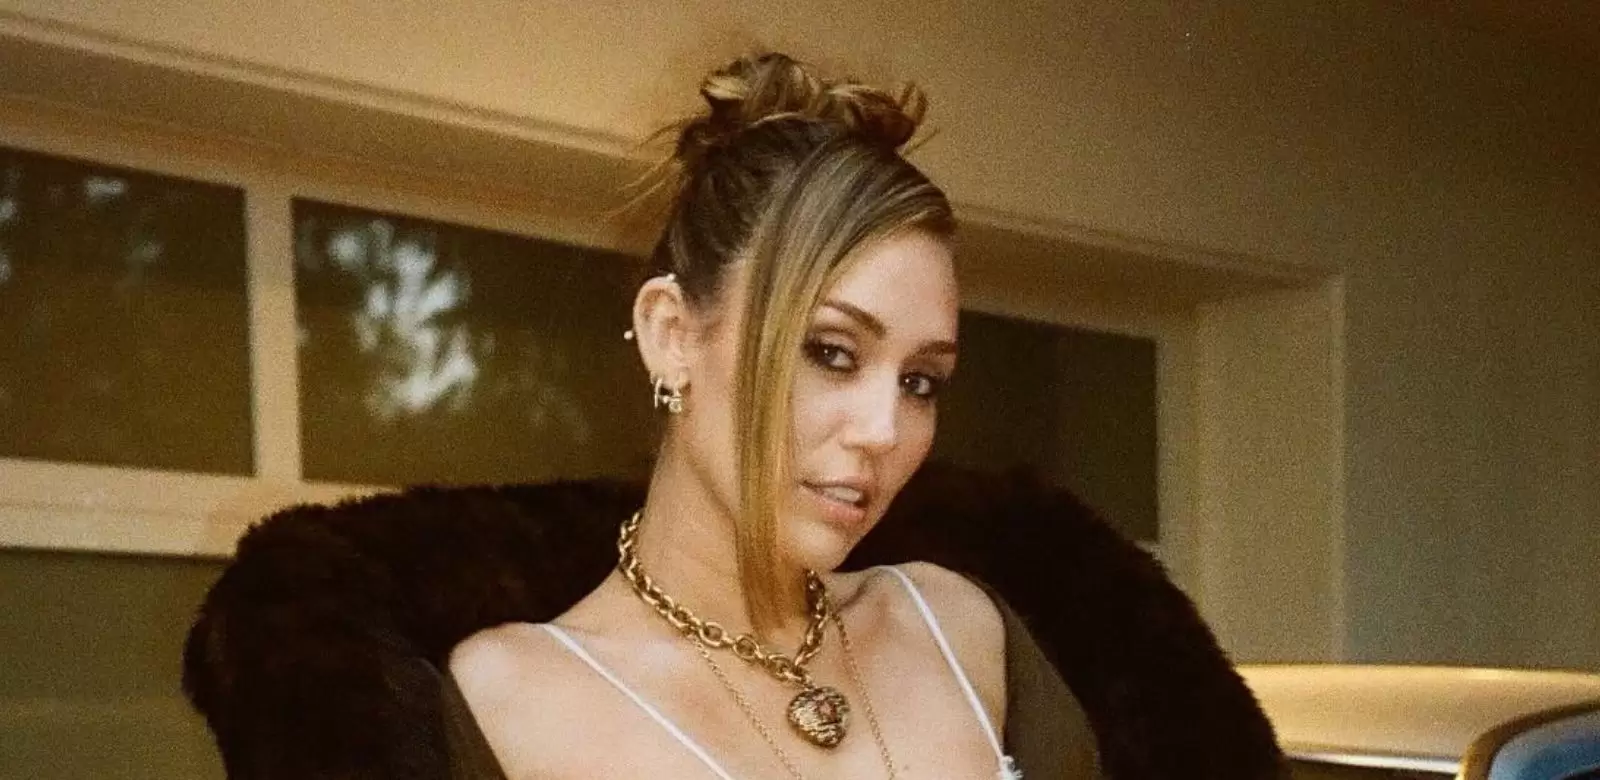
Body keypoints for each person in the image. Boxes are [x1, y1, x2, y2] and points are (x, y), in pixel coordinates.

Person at [445, 52, 1093, 780]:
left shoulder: (962, 632)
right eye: (831, 352)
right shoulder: (515, 698)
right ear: (671, 334)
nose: (882, 431)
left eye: (920, 381)